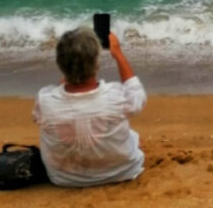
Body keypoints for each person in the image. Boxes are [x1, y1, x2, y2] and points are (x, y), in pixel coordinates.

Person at [33, 26, 146, 187]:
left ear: (60, 64)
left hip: (63, 178)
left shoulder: (45, 100)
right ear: (96, 62)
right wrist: (118, 54)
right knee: (133, 135)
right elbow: (138, 95)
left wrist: (71, 67)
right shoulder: (116, 96)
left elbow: (40, 117)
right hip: (122, 171)